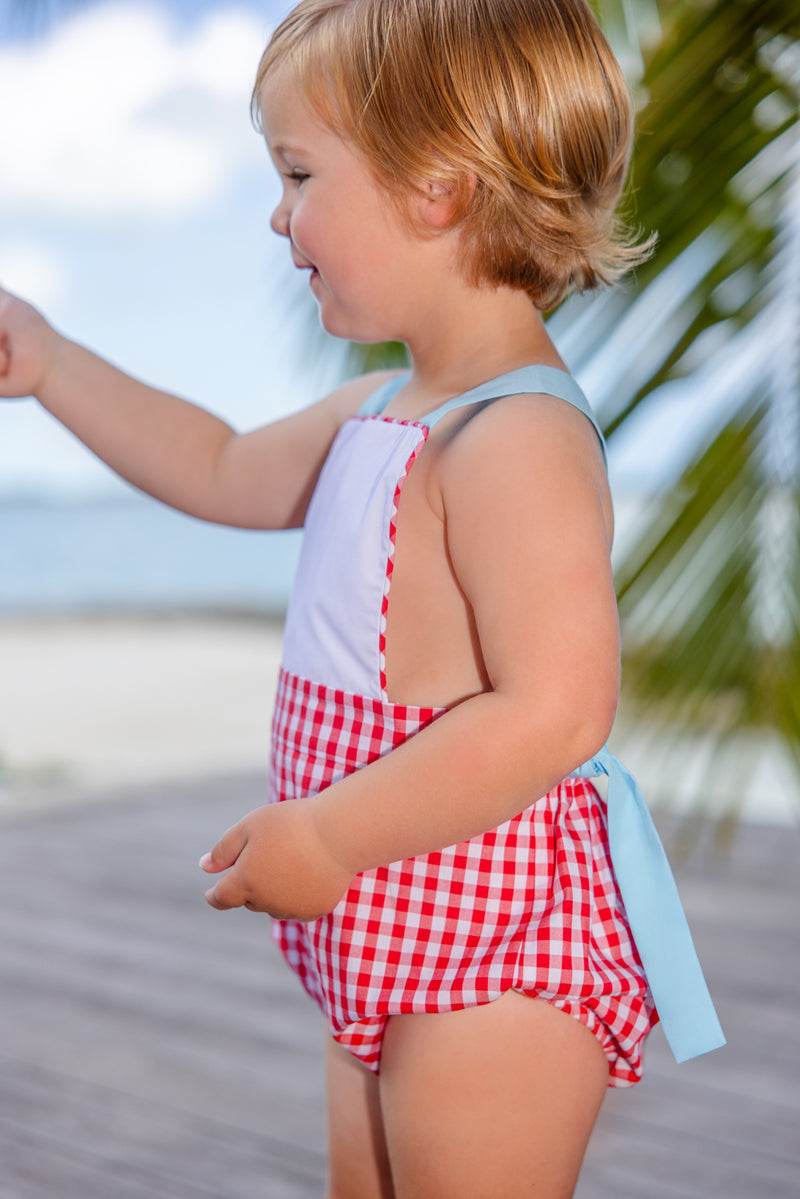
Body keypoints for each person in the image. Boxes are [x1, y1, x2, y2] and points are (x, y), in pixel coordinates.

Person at [0, 0, 725, 1194]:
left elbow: (556, 711)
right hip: (382, 913)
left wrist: (329, 832)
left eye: (295, 174)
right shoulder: (383, 409)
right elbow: (220, 463)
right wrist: (53, 364)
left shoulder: (511, 437)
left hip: (491, 939)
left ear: (435, 186)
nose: (278, 219)